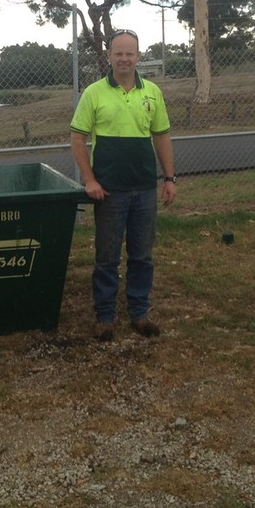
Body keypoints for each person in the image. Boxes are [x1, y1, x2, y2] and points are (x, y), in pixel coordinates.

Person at [69, 29, 176, 341]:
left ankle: (139, 313)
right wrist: (89, 180)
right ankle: (105, 316)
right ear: (110, 56)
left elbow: (162, 136)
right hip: (109, 191)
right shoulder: (93, 93)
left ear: (138, 56)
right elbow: (78, 139)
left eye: (130, 53)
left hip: (144, 187)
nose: (125, 58)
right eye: (119, 53)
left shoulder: (152, 92)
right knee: (107, 257)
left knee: (142, 255)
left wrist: (169, 179)